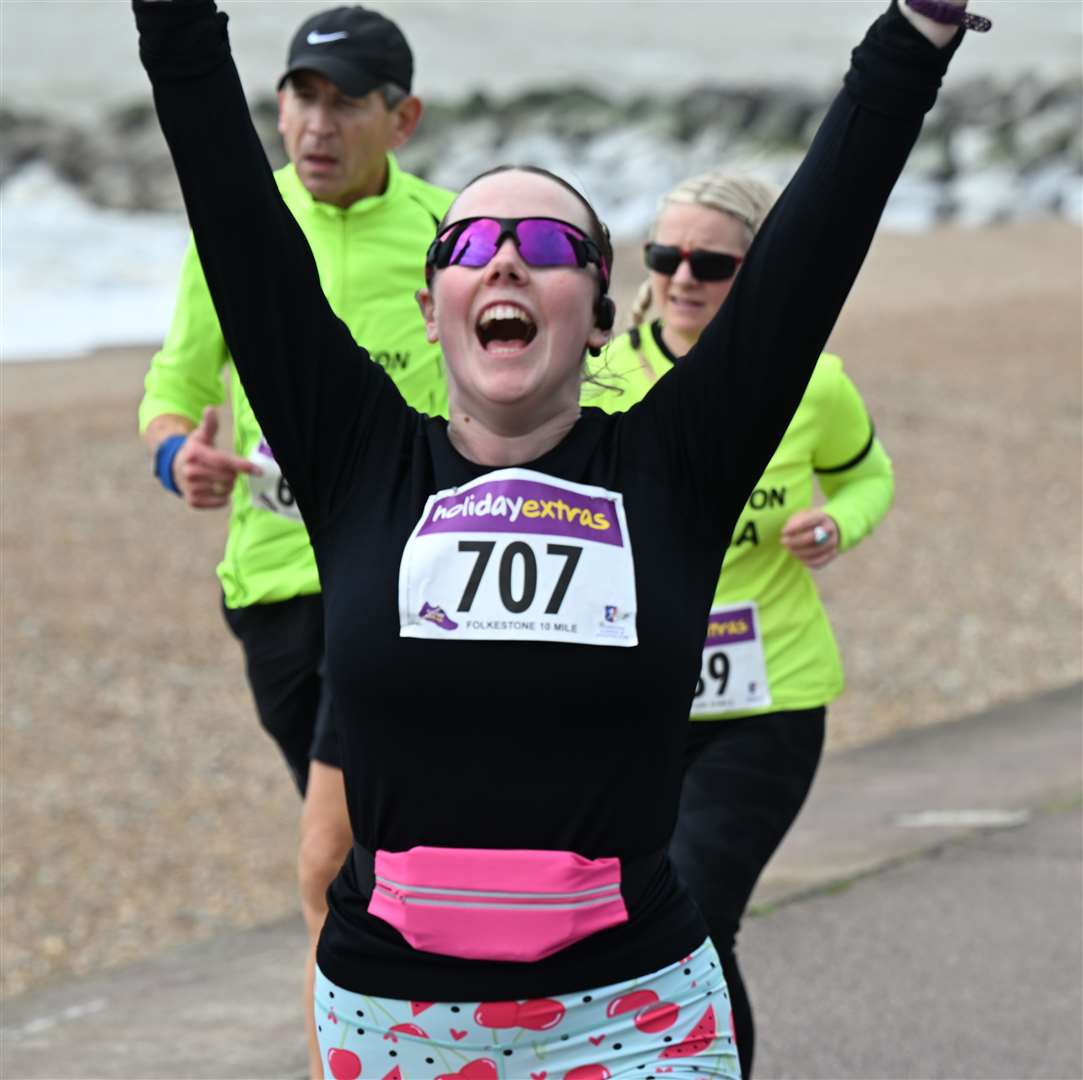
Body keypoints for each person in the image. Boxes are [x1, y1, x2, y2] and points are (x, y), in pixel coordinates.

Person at [132, 0, 977, 1075]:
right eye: (472, 243)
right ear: (434, 300)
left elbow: (815, 246)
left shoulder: (675, 465)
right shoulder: (356, 457)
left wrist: (915, 32)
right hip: (396, 1021)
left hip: (634, 1019)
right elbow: (233, 210)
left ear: (598, 306)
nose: (507, 263)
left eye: (548, 245)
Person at [137, 6, 454, 1075]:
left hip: (408, 585)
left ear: (400, 117)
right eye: (299, 97)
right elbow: (173, 393)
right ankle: (431, 1031)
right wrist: (176, 457)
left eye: (344, 102)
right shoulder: (238, 224)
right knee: (371, 856)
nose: (315, 125)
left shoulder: (456, 237)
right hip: (270, 586)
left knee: (330, 859)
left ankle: (361, 1057)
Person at [584, 169, 895, 1078]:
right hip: (628, 710)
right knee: (626, 929)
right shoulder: (600, 380)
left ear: (759, 270)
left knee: (692, 914)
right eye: (666, 257)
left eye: (712, 264)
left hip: (767, 704)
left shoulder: (811, 382)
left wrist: (839, 523)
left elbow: (867, 474)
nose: (683, 279)